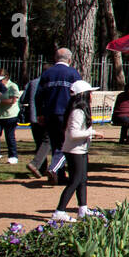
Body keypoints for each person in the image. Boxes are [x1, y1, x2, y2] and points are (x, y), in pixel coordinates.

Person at [52, 79, 104, 221]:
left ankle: (83, 208)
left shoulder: (80, 110)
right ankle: (59, 211)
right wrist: (91, 133)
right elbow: (73, 134)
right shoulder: (77, 112)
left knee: (82, 179)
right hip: (74, 150)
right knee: (75, 180)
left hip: (80, 149)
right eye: (90, 93)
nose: (92, 96)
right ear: (83, 95)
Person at [36, 49, 83, 184]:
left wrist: (40, 113)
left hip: (50, 113)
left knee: (56, 143)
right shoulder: (73, 73)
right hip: (66, 113)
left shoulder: (47, 74)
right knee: (66, 144)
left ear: (55, 58)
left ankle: (60, 175)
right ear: (69, 60)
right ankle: (54, 169)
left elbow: (39, 96)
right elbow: (78, 95)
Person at [22, 63, 52, 178]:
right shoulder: (48, 84)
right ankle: (37, 164)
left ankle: (41, 168)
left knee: (39, 142)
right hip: (44, 116)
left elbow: (23, 99)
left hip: (33, 117)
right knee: (48, 141)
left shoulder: (32, 82)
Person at [0, 69, 21, 165]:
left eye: (0, 79)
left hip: (10, 115)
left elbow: (12, 101)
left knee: (10, 136)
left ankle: (13, 156)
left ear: (6, 78)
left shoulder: (12, 86)